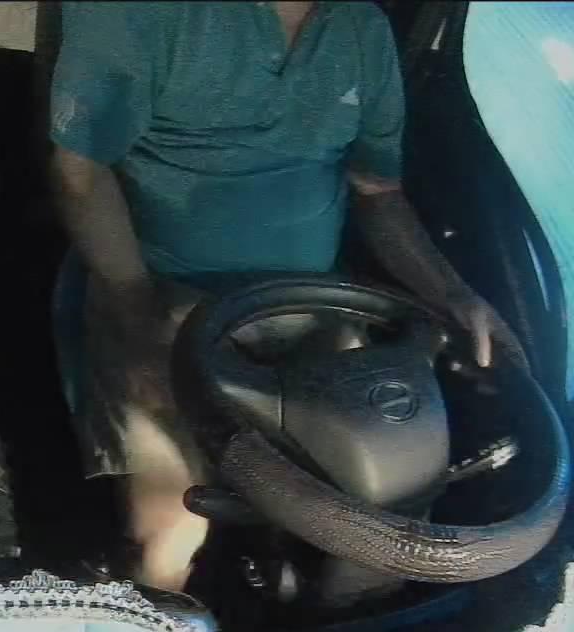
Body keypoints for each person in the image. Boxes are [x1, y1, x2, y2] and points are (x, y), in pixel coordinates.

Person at [49, 1, 520, 591]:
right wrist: (134, 311)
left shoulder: (361, 28)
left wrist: (454, 295)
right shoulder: (141, 13)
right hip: (160, 294)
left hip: (315, 303)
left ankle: (352, 629)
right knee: (174, 522)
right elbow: (81, 175)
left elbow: (377, 191)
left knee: (386, 510)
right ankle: (157, 612)